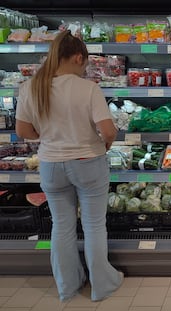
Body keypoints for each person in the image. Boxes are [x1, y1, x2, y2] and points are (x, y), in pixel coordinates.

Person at [15, 30, 123, 302]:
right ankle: (101, 286)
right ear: (77, 57)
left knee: (61, 226)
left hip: (51, 164)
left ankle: (67, 287)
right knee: (94, 225)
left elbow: (23, 131)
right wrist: (105, 144)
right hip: (88, 162)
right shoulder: (87, 88)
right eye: (85, 63)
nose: (85, 68)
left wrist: (50, 137)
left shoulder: (30, 86)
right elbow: (108, 131)